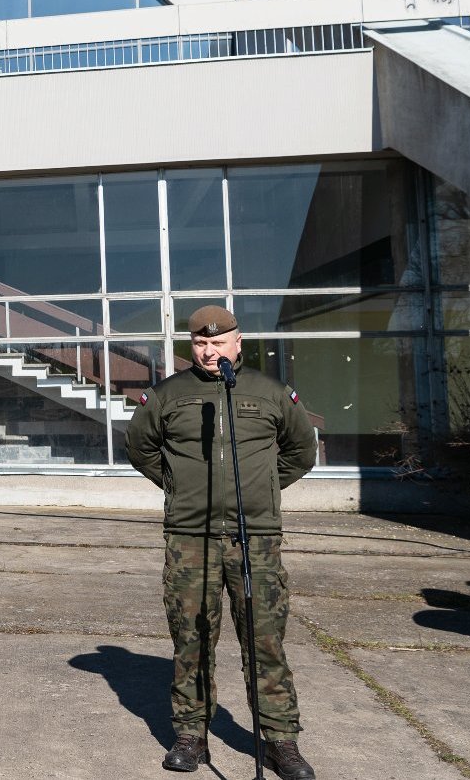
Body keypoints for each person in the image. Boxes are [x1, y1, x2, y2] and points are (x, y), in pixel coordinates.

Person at [126, 306, 318, 779]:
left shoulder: (270, 392)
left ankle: (279, 741)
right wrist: (180, 489)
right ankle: (191, 736)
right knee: (191, 639)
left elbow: (301, 451)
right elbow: (140, 448)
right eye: (199, 343)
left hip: (256, 539)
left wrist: (263, 490)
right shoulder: (169, 394)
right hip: (191, 538)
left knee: (265, 640)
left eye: (217, 342)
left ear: (238, 343)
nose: (208, 351)